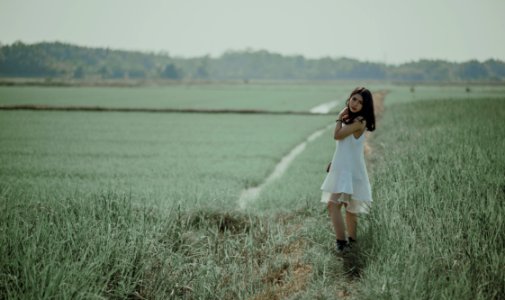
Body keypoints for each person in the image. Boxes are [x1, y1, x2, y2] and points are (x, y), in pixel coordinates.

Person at [320, 87, 376, 253]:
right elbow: (347, 146)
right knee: (349, 208)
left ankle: (341, 243)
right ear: (349, 98)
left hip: (349, 170)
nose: (356, 104)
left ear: (365, 107)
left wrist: (339, 117)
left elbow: (337, 135)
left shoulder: (359, 121)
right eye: (354, 99)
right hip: (346, 167)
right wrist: (334, 162)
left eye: (360, 102)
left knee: (333, 205)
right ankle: (351, 242)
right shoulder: (353, 120)